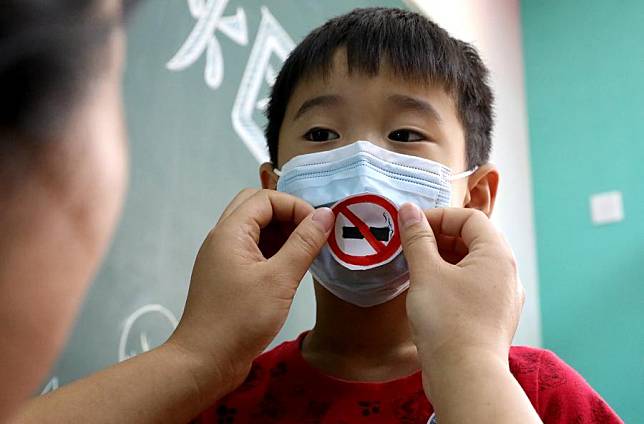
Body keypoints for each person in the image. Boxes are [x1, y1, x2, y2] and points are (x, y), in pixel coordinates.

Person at [0, 3, 620, 424]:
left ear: (475, 197)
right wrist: (195, 357)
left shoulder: (540, 393)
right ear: (274, 189)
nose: (360, 162)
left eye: (406, 135)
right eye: (321, 134)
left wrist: (472, 373)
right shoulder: (216, 397)